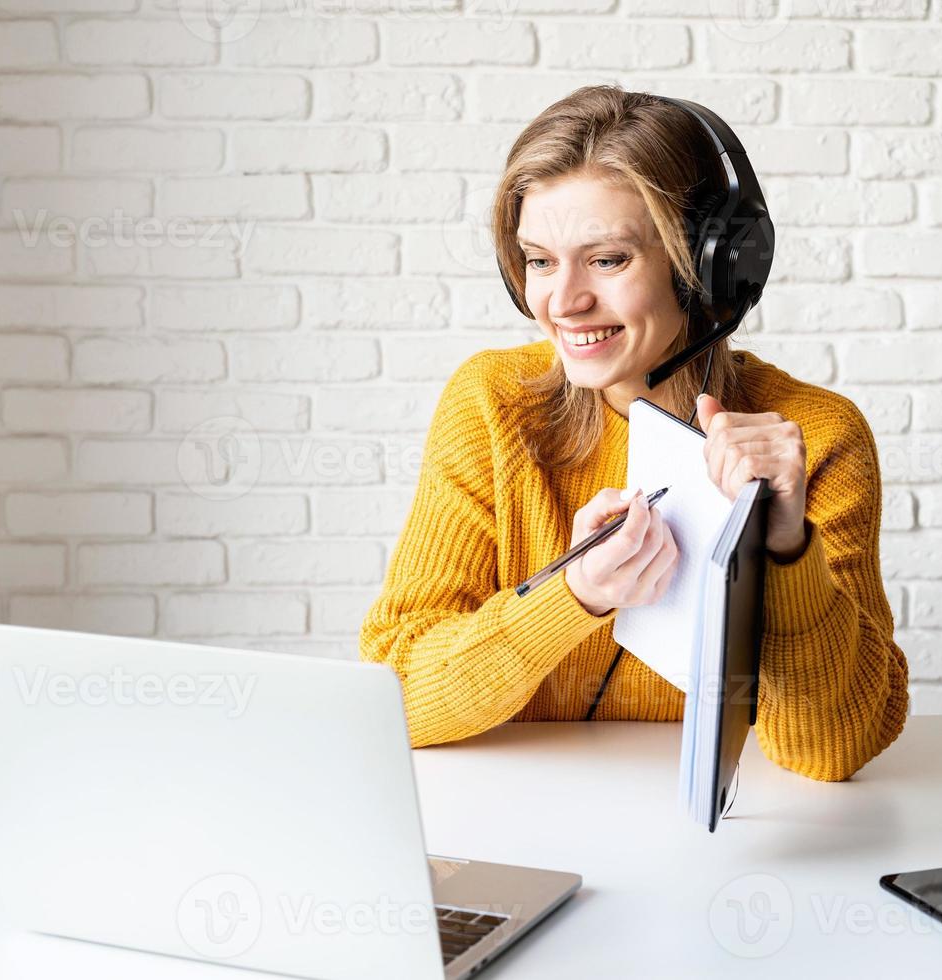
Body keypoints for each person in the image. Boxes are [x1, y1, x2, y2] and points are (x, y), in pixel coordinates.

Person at [360, 85, 908, 782]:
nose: (562, 302)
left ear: (709, 268)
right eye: (539, 260)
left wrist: (784, 546)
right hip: (519, 823)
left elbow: (832, 749)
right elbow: (396, 698)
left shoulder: (815, 439)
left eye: (608, 259)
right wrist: (574, 593)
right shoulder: (492, 404)